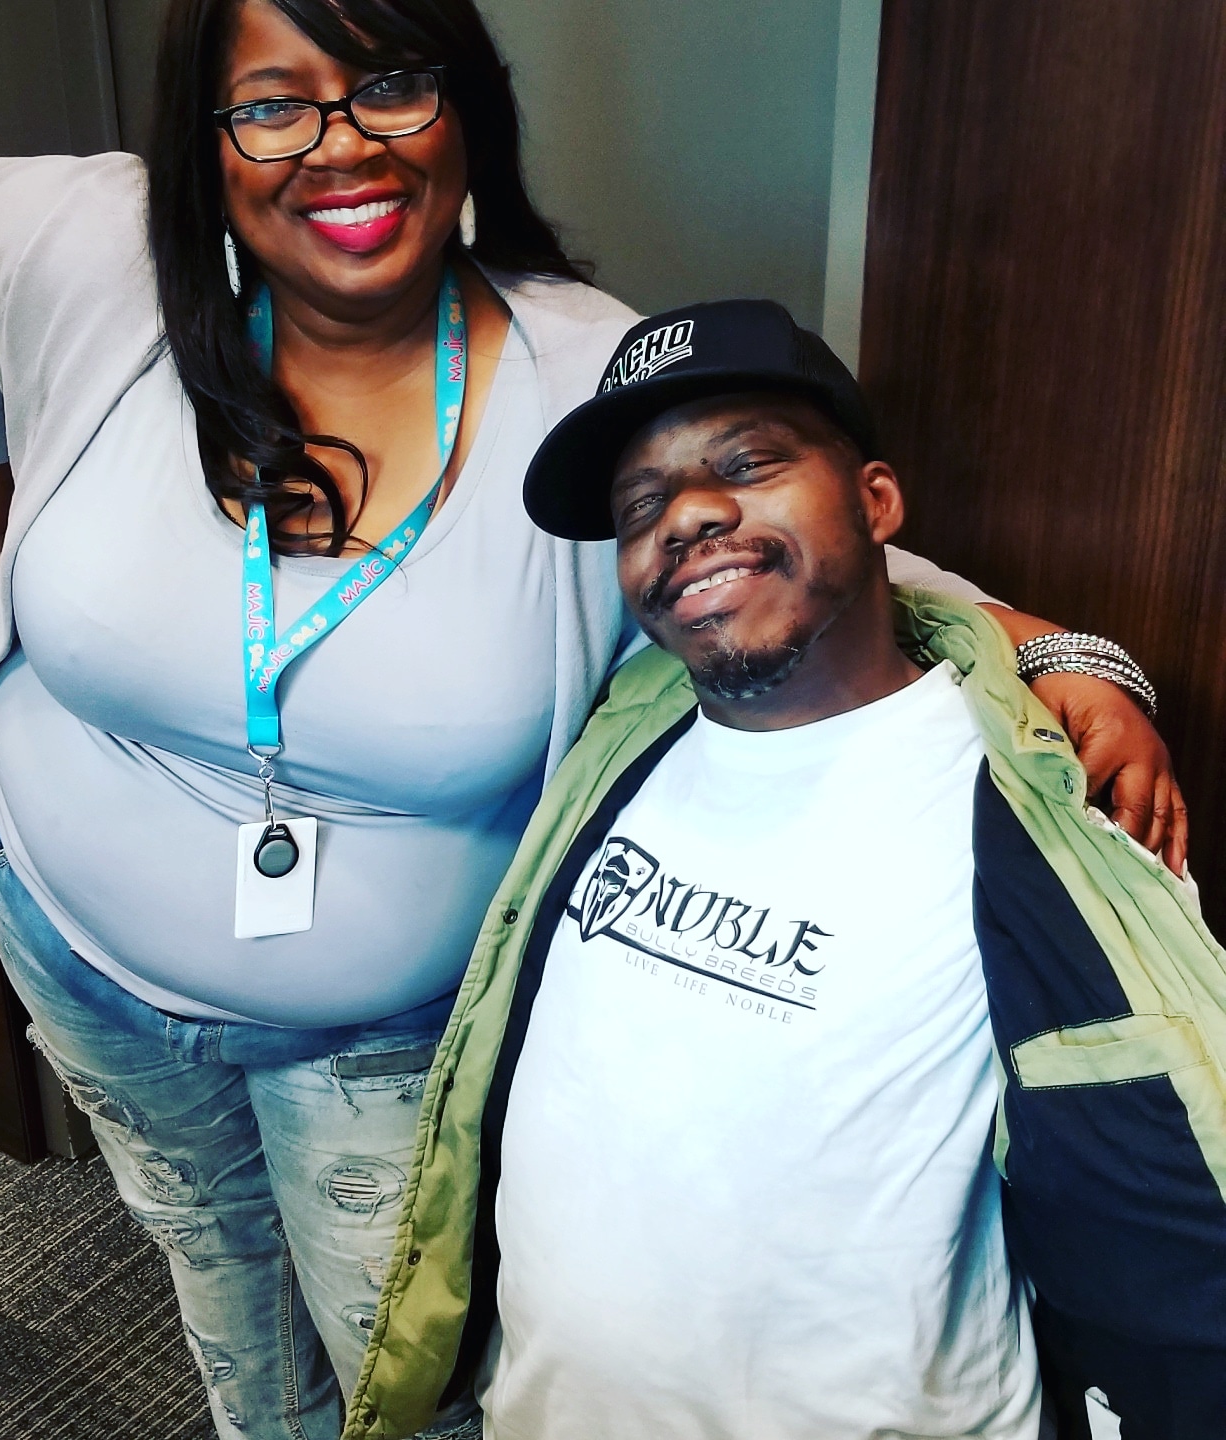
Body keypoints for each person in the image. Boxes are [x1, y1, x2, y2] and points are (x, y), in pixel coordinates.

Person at [0, 0, 1186, 1432]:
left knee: (405, 1365)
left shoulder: (571, 370)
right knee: (209, 1256)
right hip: (74, 945)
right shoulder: (79, 252)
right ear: (208, 140)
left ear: (466, 110)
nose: (339, 145)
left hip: (379, 1036)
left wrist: (1066, 652)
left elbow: (786, 544)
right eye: (273, 103)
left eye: (388, 83)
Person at [347, 302, 1226, 1440]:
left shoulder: (1042, 817)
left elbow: (1165, 1207)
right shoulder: (626, 729)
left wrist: (1074, 658)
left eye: (749, 464)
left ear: (877, 501)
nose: (687, 515)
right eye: (640, 507)